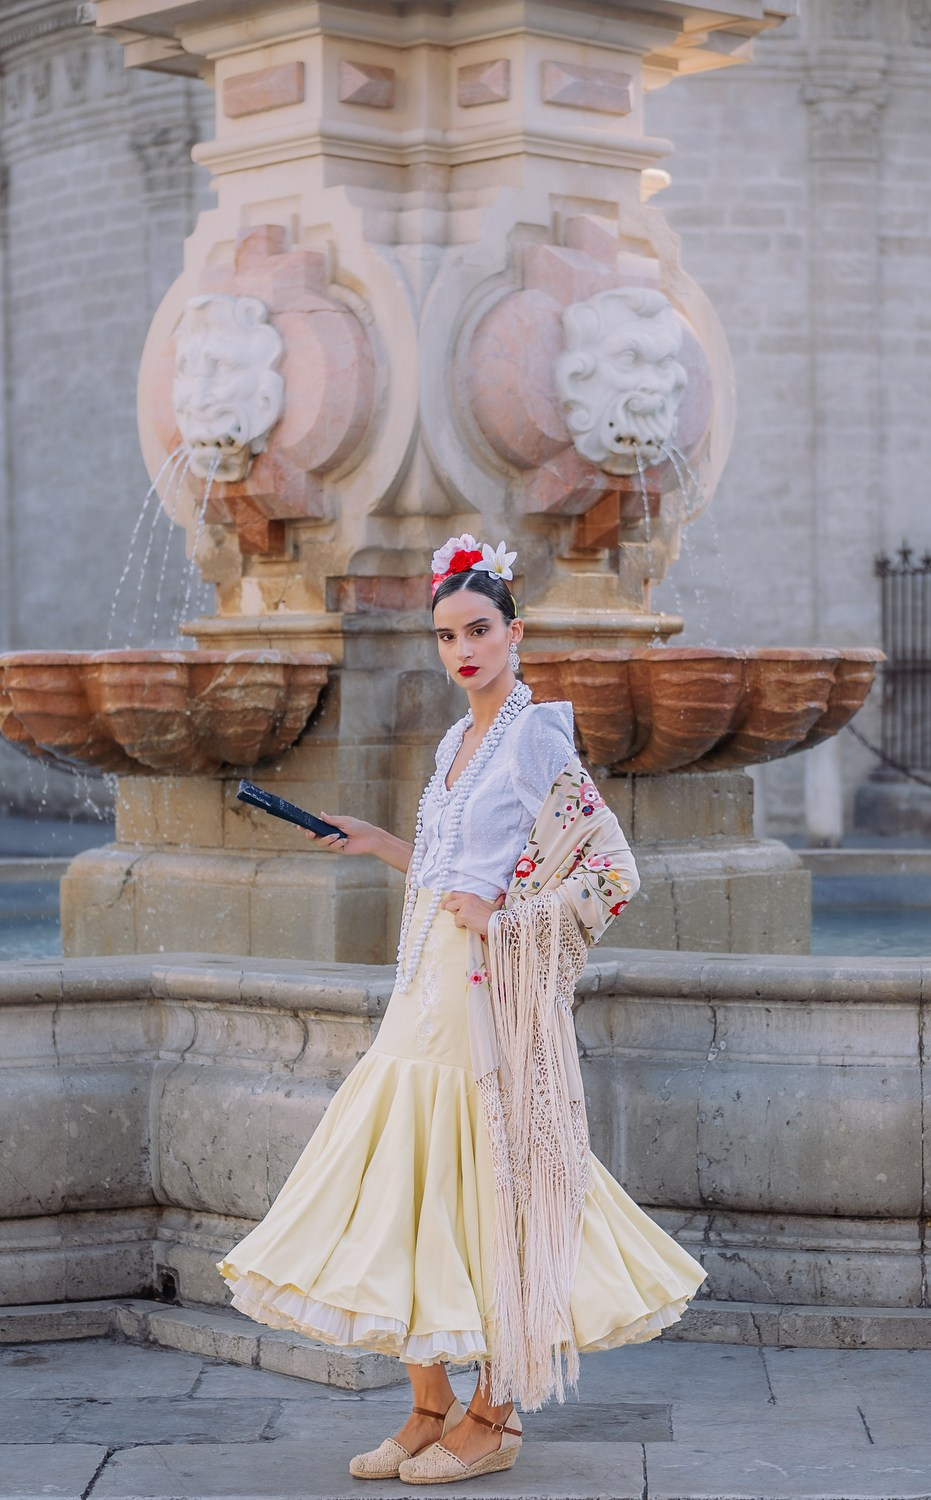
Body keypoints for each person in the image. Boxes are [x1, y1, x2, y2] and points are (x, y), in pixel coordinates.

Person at [217, 535, 706, 1485]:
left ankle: (496, 1411)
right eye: (446, 636)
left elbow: (611, 872)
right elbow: (454, 871)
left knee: (489, 1186)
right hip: (424, 989)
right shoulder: (456, 741)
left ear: (514, 633)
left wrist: (508, 916)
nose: (463, 651)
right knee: (406, 1184)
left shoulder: (535, 736)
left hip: (486, 994)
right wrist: (382, 844)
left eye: (479, 630)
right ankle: (428, 1407)